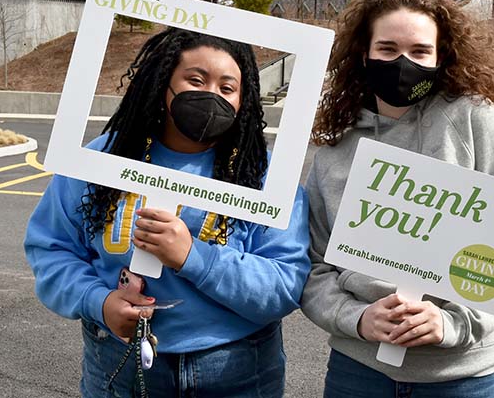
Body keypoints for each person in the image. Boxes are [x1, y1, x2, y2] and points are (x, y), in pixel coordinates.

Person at [24, 28, 310, 397]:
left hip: (237, 367)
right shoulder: (99, 161)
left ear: (245, 100)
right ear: (163, 82)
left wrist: (194, 257)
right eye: (195, 79)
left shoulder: (263, 176)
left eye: (227, 88)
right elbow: (52, 250)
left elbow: (284, 283)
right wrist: (99, 301)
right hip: (120, 360)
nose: (211, 95)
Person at [301, 0, 494, 398]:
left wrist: (455, 323)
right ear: (363, 54)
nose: (403, 62)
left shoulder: (473, 119)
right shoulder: (334, 150)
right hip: (360, 370)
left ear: (440, 57)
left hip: (461, 374)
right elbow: (314, 263)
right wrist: (356, 317)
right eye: (388, 49)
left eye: (420, 51)